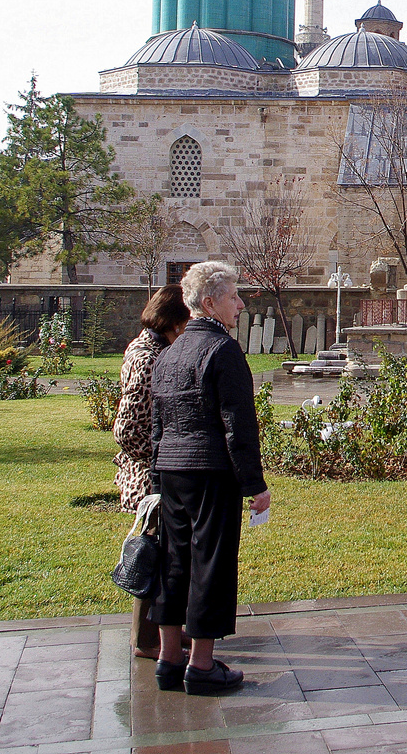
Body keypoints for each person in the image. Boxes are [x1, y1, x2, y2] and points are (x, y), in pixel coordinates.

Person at [149, 261, 272, 694]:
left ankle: (169, 659)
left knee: (173, 561)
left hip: (172, 472)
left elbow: (157, 424)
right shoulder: (223, 351)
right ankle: (201, 665)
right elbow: (238, 424)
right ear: (209, 303)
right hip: (211, 473)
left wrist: (156, 479)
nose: (240, 304)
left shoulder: (169, 352)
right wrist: (254, 485)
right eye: (233, 296)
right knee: (211, 564)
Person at [112, 284, 191, 660]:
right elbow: (128, 426)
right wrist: (161, 459)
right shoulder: (149, 357)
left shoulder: (154, 349)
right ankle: (147, 638)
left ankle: (164, 632)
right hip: (150, 474)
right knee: (155, 555)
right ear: (174, 319)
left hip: (156, 469)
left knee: (166, 554)